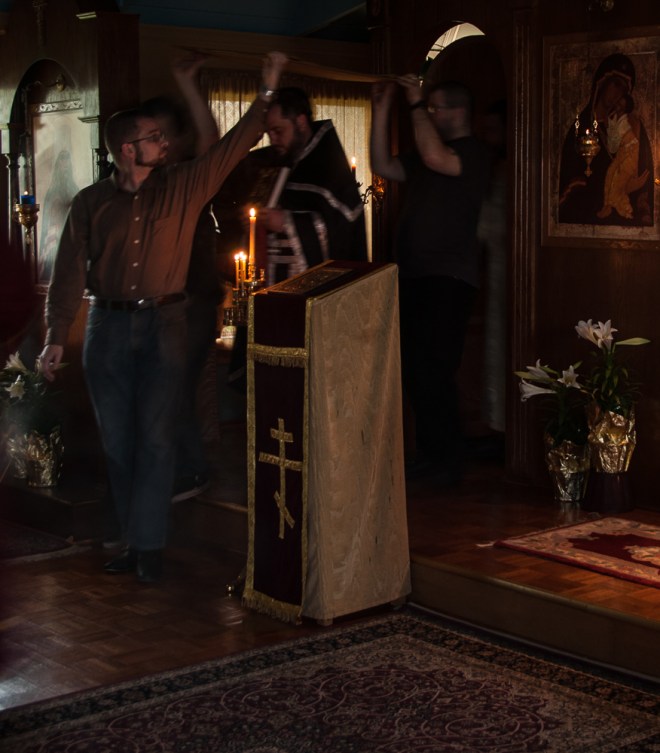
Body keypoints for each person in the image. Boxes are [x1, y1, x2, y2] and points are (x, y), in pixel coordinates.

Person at [37, 52, 288, 583]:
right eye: (153, 138)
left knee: (154, 439)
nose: (164, 143)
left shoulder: (182, 185)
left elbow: (232, 147)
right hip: (107, 328)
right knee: (118, 442)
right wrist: (56, 336)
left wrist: (266, 92)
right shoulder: (90, 203)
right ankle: (132, 540)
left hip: (163, 326)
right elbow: (68, 273)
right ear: (128, 150)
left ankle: (148, 548)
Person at [370, 76, 490, 486]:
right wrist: (381, 109)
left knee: (435, 368)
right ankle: (431, 454)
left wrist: (415, 101)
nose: (430, 115)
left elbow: (438, 158)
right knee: (415, 368)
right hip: (414, 274)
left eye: (436, 109)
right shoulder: (422, 153)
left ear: (458, 111)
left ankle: (447, 461)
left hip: (449, 277)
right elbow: (383, 166)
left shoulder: (473, 153)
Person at [141, 54, 224, 504]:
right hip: (159, 307)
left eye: (162, 134)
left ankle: (192, 471)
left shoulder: (191, 179)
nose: (156, 142)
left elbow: (212, 143)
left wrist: (187, 82)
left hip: (193, 303)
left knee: (176, 387)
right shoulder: (144, 182)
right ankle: (177, 469)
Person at [223, 86, 367, 285]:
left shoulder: (328, 168)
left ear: (300, 122)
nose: (272, 139)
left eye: (278, 131)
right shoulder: (274, 162)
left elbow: (344, 230)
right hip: (270, 283)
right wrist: (253, 223)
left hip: (311, 289)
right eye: (269, 132)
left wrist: (287, 222)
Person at [558, 52, 653, 227]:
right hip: (588, 220)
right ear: (602, 82)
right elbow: (571, 184)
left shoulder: (629, 128)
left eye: (624, 91)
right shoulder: (581, 126)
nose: (618, 94)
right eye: (616, 84)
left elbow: (643, 177)